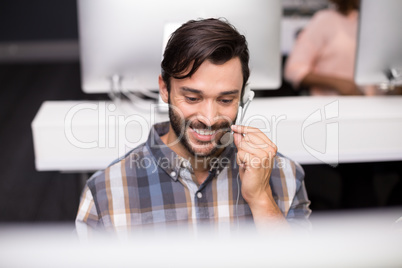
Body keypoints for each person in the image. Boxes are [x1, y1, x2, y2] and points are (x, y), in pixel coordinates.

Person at [75, 18, 311, 237]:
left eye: (226, 100)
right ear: (165, 89)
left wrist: (261, 199)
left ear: (243, 97)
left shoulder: (285, 176)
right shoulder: (104, 193)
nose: (209, 119)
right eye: (192, 98)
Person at [284, 0, 382, 96]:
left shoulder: (377, 24)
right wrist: (338, 83)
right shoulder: (325, 20)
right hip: (332, 106)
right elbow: (294, 70)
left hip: (372, 105)